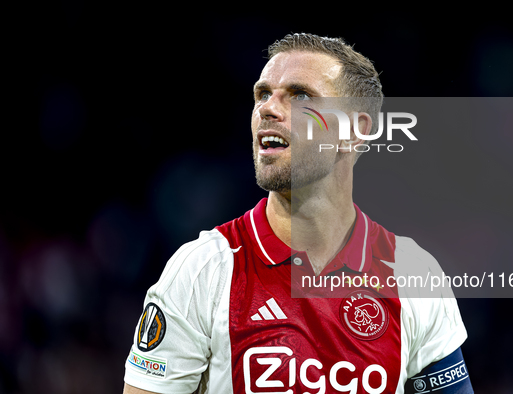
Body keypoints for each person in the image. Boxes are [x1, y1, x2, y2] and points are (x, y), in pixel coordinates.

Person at [123, 33, 473, 394]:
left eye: (300, 96)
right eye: (262, 94)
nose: (267, 109)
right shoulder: (203, 271)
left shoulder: (413, 273)